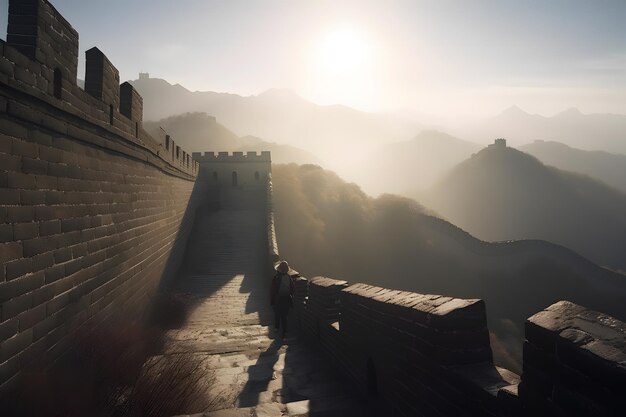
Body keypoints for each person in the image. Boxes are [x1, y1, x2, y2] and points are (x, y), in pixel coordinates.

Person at [270, 260, 294, 336]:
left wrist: (272, 301)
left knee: (277, 314)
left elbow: (272, 290)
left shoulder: (276, 278)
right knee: (284, 315)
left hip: (278, 299)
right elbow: (293, 289)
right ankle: (285, 330)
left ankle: (277, 328)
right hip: (286, 299)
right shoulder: (289, 277)